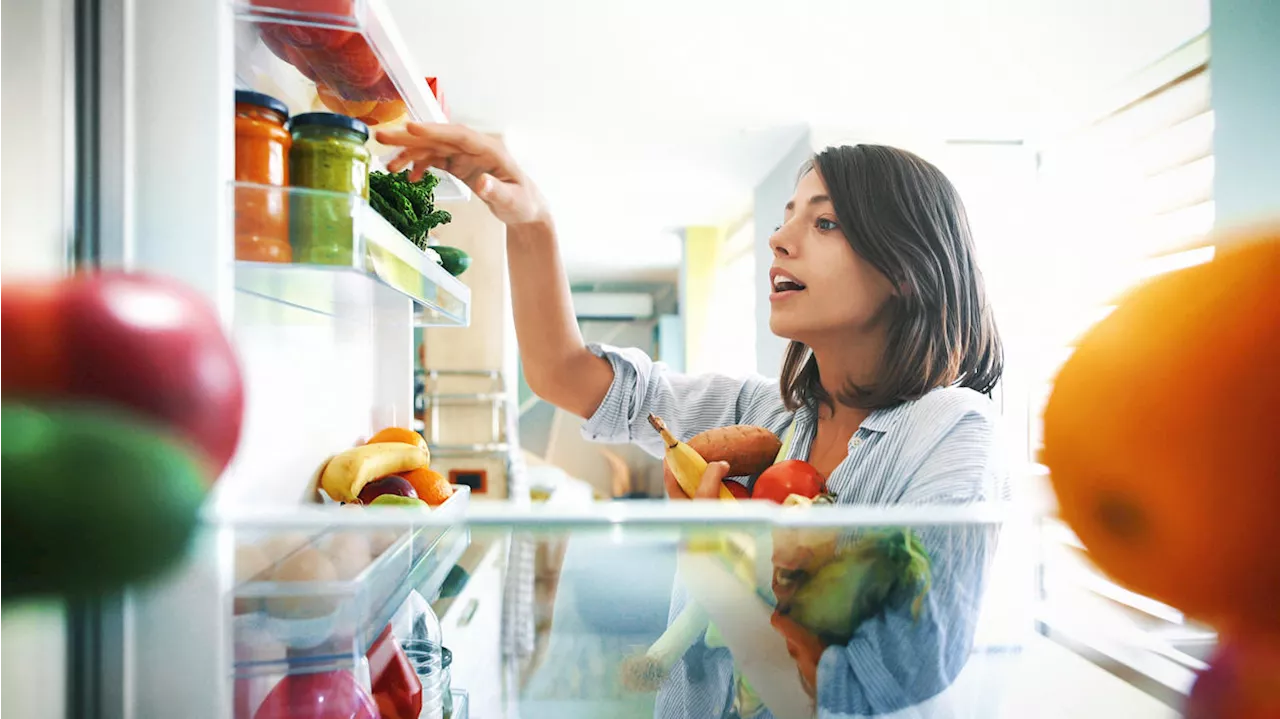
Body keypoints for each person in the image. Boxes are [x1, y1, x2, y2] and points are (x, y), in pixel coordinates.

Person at [378, 123, 1007, 717]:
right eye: (787, 214)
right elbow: (563, 374)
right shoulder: (763, 415)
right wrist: (531, 219)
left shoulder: (952, 432)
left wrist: (710, 560)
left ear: (903, 267)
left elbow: (866, 692)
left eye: (825, 221)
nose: (780, 238)